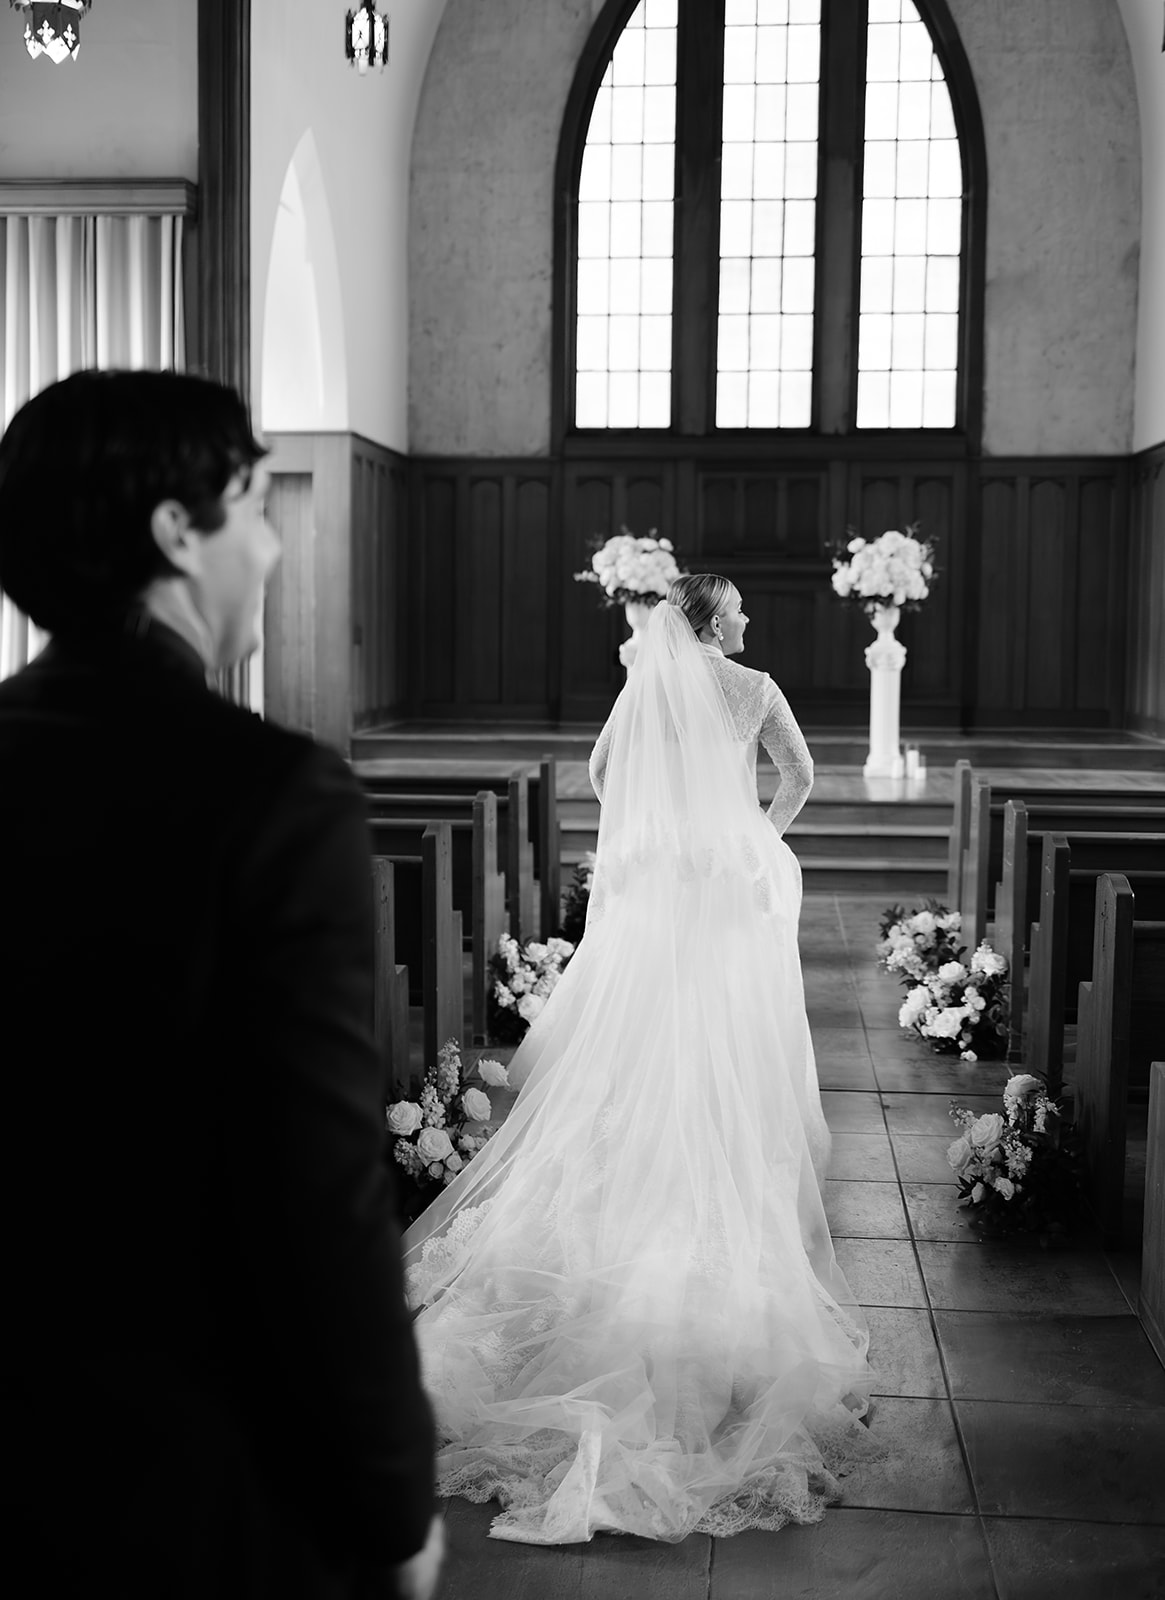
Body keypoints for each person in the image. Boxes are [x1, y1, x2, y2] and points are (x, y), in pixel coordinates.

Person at [0, 370, 442, 1600]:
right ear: (175, 532)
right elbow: (316, 1195)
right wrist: (393, 1494)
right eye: (254, 501)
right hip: (184, 1473)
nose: (276, 538)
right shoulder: (270, 797)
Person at [402, 573, 880, 1546]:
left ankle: (615, 1229)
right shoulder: (753, 689)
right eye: (736, 607)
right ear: (713, 621)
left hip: (658, 901)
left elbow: (602, 772)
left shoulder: (645, 693)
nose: (746, 618)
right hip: (720, 907)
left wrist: (653, 841)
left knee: (632, 1067)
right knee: (723, 1067)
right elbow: (798, 777)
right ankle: (708, 1242)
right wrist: (746, 840)